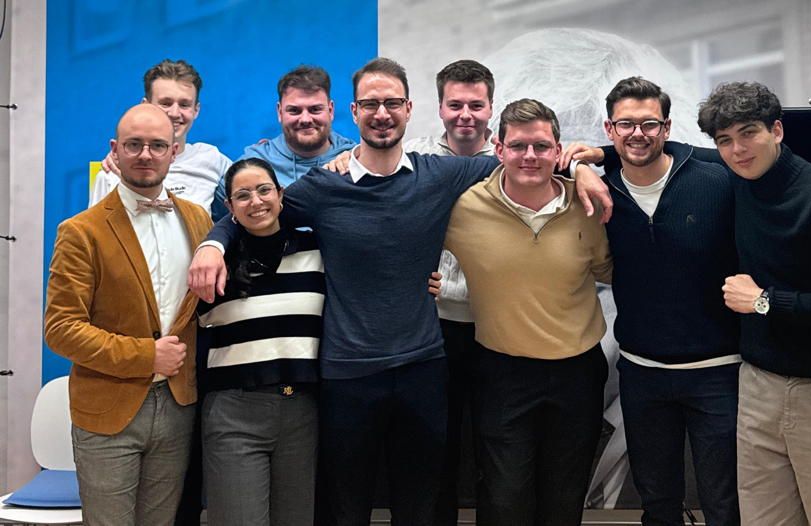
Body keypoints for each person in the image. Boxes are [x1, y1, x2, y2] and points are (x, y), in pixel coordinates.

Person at [189, 57, 610, 526]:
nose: (382, 113)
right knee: (345, 509)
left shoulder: (441, 175)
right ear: (353, 111)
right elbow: (257, 210)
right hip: (347, 374)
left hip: (422, 369)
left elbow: (526, 159)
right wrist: (213, 243)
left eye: (392, 102)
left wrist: (583, 167)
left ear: (409, 109)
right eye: (371, 104)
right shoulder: (324, 185)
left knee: (422, 508)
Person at [698, 82, 811, 525]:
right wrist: (590, 160)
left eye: (749, 133)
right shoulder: (737, 177)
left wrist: (765, 302)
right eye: (725, 140)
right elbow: (669, 153)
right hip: (758, 388)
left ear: (777, 130)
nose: (738, 149)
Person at [444, 98, 612, 526]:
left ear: (558, 150)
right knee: (504, 498)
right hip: (502, 372)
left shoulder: (589, 204)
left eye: (541, 146)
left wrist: (585, 168)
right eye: (518, 146)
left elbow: (613, 270)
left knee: (564, 496)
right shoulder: (464, 208)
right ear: (499, 149)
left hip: (577, 371)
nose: (530, 157)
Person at [44, 103, 213, 526]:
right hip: (108, 409)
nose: (145, 155)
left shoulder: (199, 221)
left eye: (157, 145)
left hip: (178, 405)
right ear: (115, 150)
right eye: (134, 145)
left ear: (174, 151)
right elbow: (61, 329)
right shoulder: (80, 231)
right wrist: (146, 356)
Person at [597, 77, 740, 525]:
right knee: (658, 504)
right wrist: (587, 163)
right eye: (626, 124)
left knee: (724, 503)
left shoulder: (717, 179)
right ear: (609, 129)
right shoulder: (600, 193)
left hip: (719, 372)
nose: (637, 133)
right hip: (642, 374)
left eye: (649, 123)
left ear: (667, 127)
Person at [197, 158, 324, 526]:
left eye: (264, 190)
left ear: (280, 195)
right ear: (229, 206)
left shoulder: (317, 251)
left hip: (301, 411)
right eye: (243, 195)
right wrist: (214, 244)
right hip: (234, 411)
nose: (256, 201)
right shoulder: (214, 261)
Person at [406, 58, 495, 525]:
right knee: (436, 445)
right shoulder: (414, 158)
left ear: (490, 107)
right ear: (439, 107)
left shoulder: (513, 157)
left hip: (496, 327)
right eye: (455, 104)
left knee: (495, 446)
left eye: (475, 105)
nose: (465, 115)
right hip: (434, 327)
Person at [210, 65, 355, 220]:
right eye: (294, 111)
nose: (305, 119)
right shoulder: (257, 161)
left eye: (315, 109)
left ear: (330, 110)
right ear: (280, 112)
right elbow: (217, 216)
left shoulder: (355, 159)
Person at [91, 59, 231, 212]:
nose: (175, 113)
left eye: (184, 105)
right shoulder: (111, 172)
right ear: (145, 106)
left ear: (196, 110)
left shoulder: (211, 158)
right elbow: (93, 225)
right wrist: (124, 155)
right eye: (165, 103)